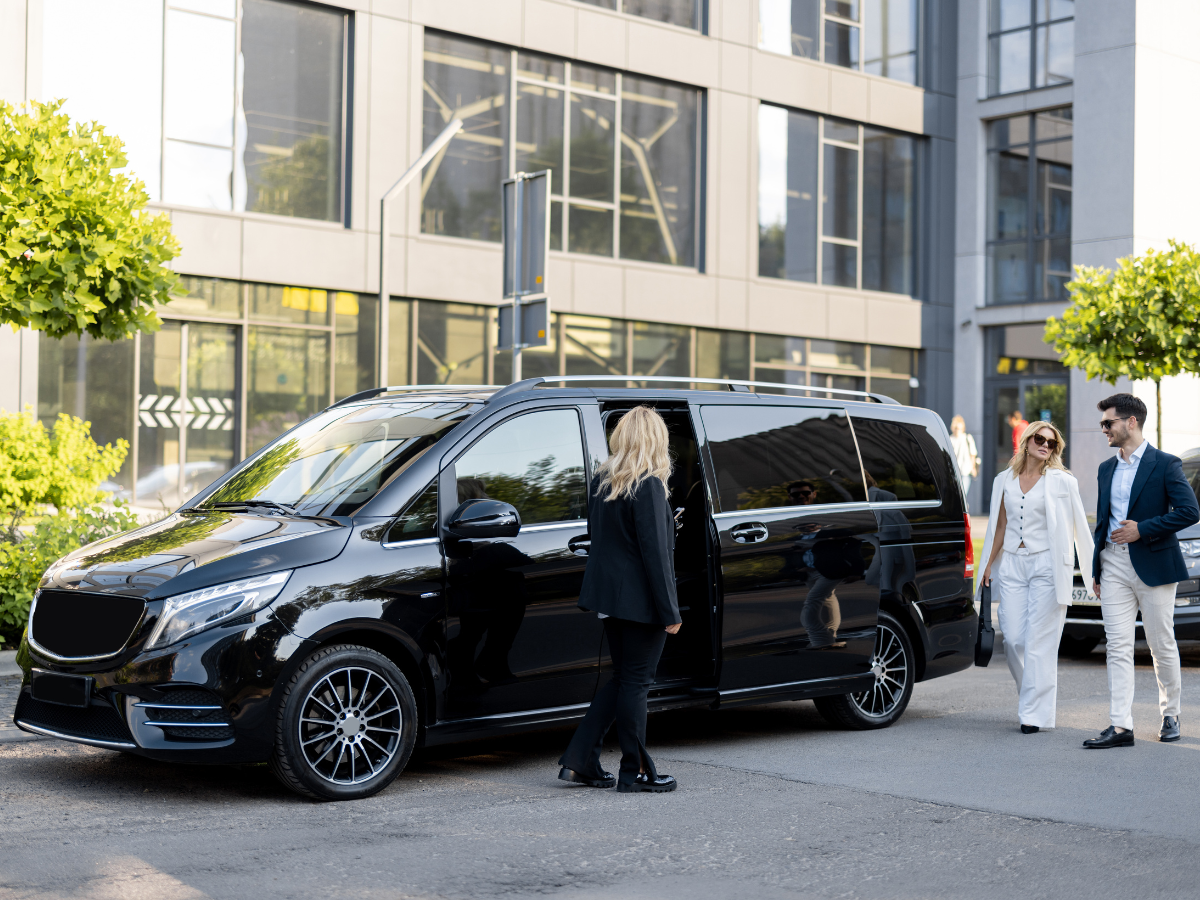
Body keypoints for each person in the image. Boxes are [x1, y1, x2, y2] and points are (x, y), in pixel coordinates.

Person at [558, 406, 682, 792]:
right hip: (641, 602)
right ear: (656, 440)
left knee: (623, 679)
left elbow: (607, 541)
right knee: (637, 683)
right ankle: (637, 772)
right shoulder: (648, 485)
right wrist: (670, 612)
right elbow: (655, 557)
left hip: (610, 598)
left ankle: (580, 761)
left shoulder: (603, 481)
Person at [1084, 393, 1200, 749]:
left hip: (1153, 563)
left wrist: (1143, 528)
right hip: (1113, 563)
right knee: (1116, 646)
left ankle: (1171, 714)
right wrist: (1097, 569)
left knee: (1160, 643)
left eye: (1109, 423)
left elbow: (1189, 511)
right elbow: (1103, 523)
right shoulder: (1106, 468)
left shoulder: (1165, 464)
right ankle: (1121, 725)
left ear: (1130, 422)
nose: (1103, 428)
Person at [978, 420, 1094, 734]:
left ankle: (1032, 714)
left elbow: (1079, 527)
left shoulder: (1062, 481)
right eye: (1040, 439)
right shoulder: (1004, 480)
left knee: (1040, 642)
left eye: (1052, 443)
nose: (1045, 445)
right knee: (1014, 639)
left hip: (1047, 565)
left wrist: (1093, 569)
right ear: (1027, 441)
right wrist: (988, 564)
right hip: (1013, 564)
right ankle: (1033, 697)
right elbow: (999, 527)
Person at [949, 415, 980, 499]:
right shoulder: (950, 439)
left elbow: (972, 454)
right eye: (955, 428)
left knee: (962, 494)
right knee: (955, 494)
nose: (957, 430)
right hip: (953, 472)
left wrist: (973, 467)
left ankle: (962, 510)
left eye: (958, 428)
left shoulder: (967, 438)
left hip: (965, 471)